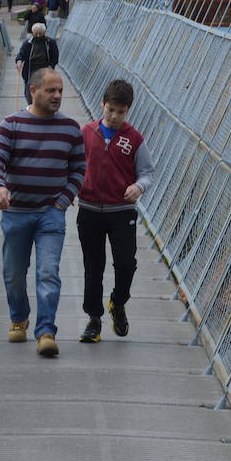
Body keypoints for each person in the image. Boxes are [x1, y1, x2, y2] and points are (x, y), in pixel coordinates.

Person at [0, 68, 85, 358]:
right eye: (51, 90)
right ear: (34, 90)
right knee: (14, 273)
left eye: (60, 91)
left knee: (47, 273)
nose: (57, 96)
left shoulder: (70, 129)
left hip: (50, 214)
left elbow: (79, 169)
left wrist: (64, 200)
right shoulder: (11, 124)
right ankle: (19, 318)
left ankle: (45, 332)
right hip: (16, 213)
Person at [76, 79, 154, 343]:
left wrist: (138, 187)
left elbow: (146, 172)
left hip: (121, 211)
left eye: (121, 112)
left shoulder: (134, 138)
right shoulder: (86, 133)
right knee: (93, 266)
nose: (114, 116)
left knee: (125, 264)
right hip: (89, 210)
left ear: (128, 110)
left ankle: (118, 303)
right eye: (110, 110)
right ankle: (94, 319)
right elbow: (74, 166)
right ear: (102, 104)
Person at [15, 23, 60, 104]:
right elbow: (21, 54)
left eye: (40, 33)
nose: (38, 35)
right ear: (32, 33)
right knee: (29, 92)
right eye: (36, 34)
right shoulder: (27, 44)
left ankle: (42, 107)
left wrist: (51, 66)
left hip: (45, 70)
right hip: (30, 71)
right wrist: (19, 61)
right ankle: (31, 107)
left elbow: (55, 57)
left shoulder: (50, 43)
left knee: (44, 89)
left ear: (44, 33)